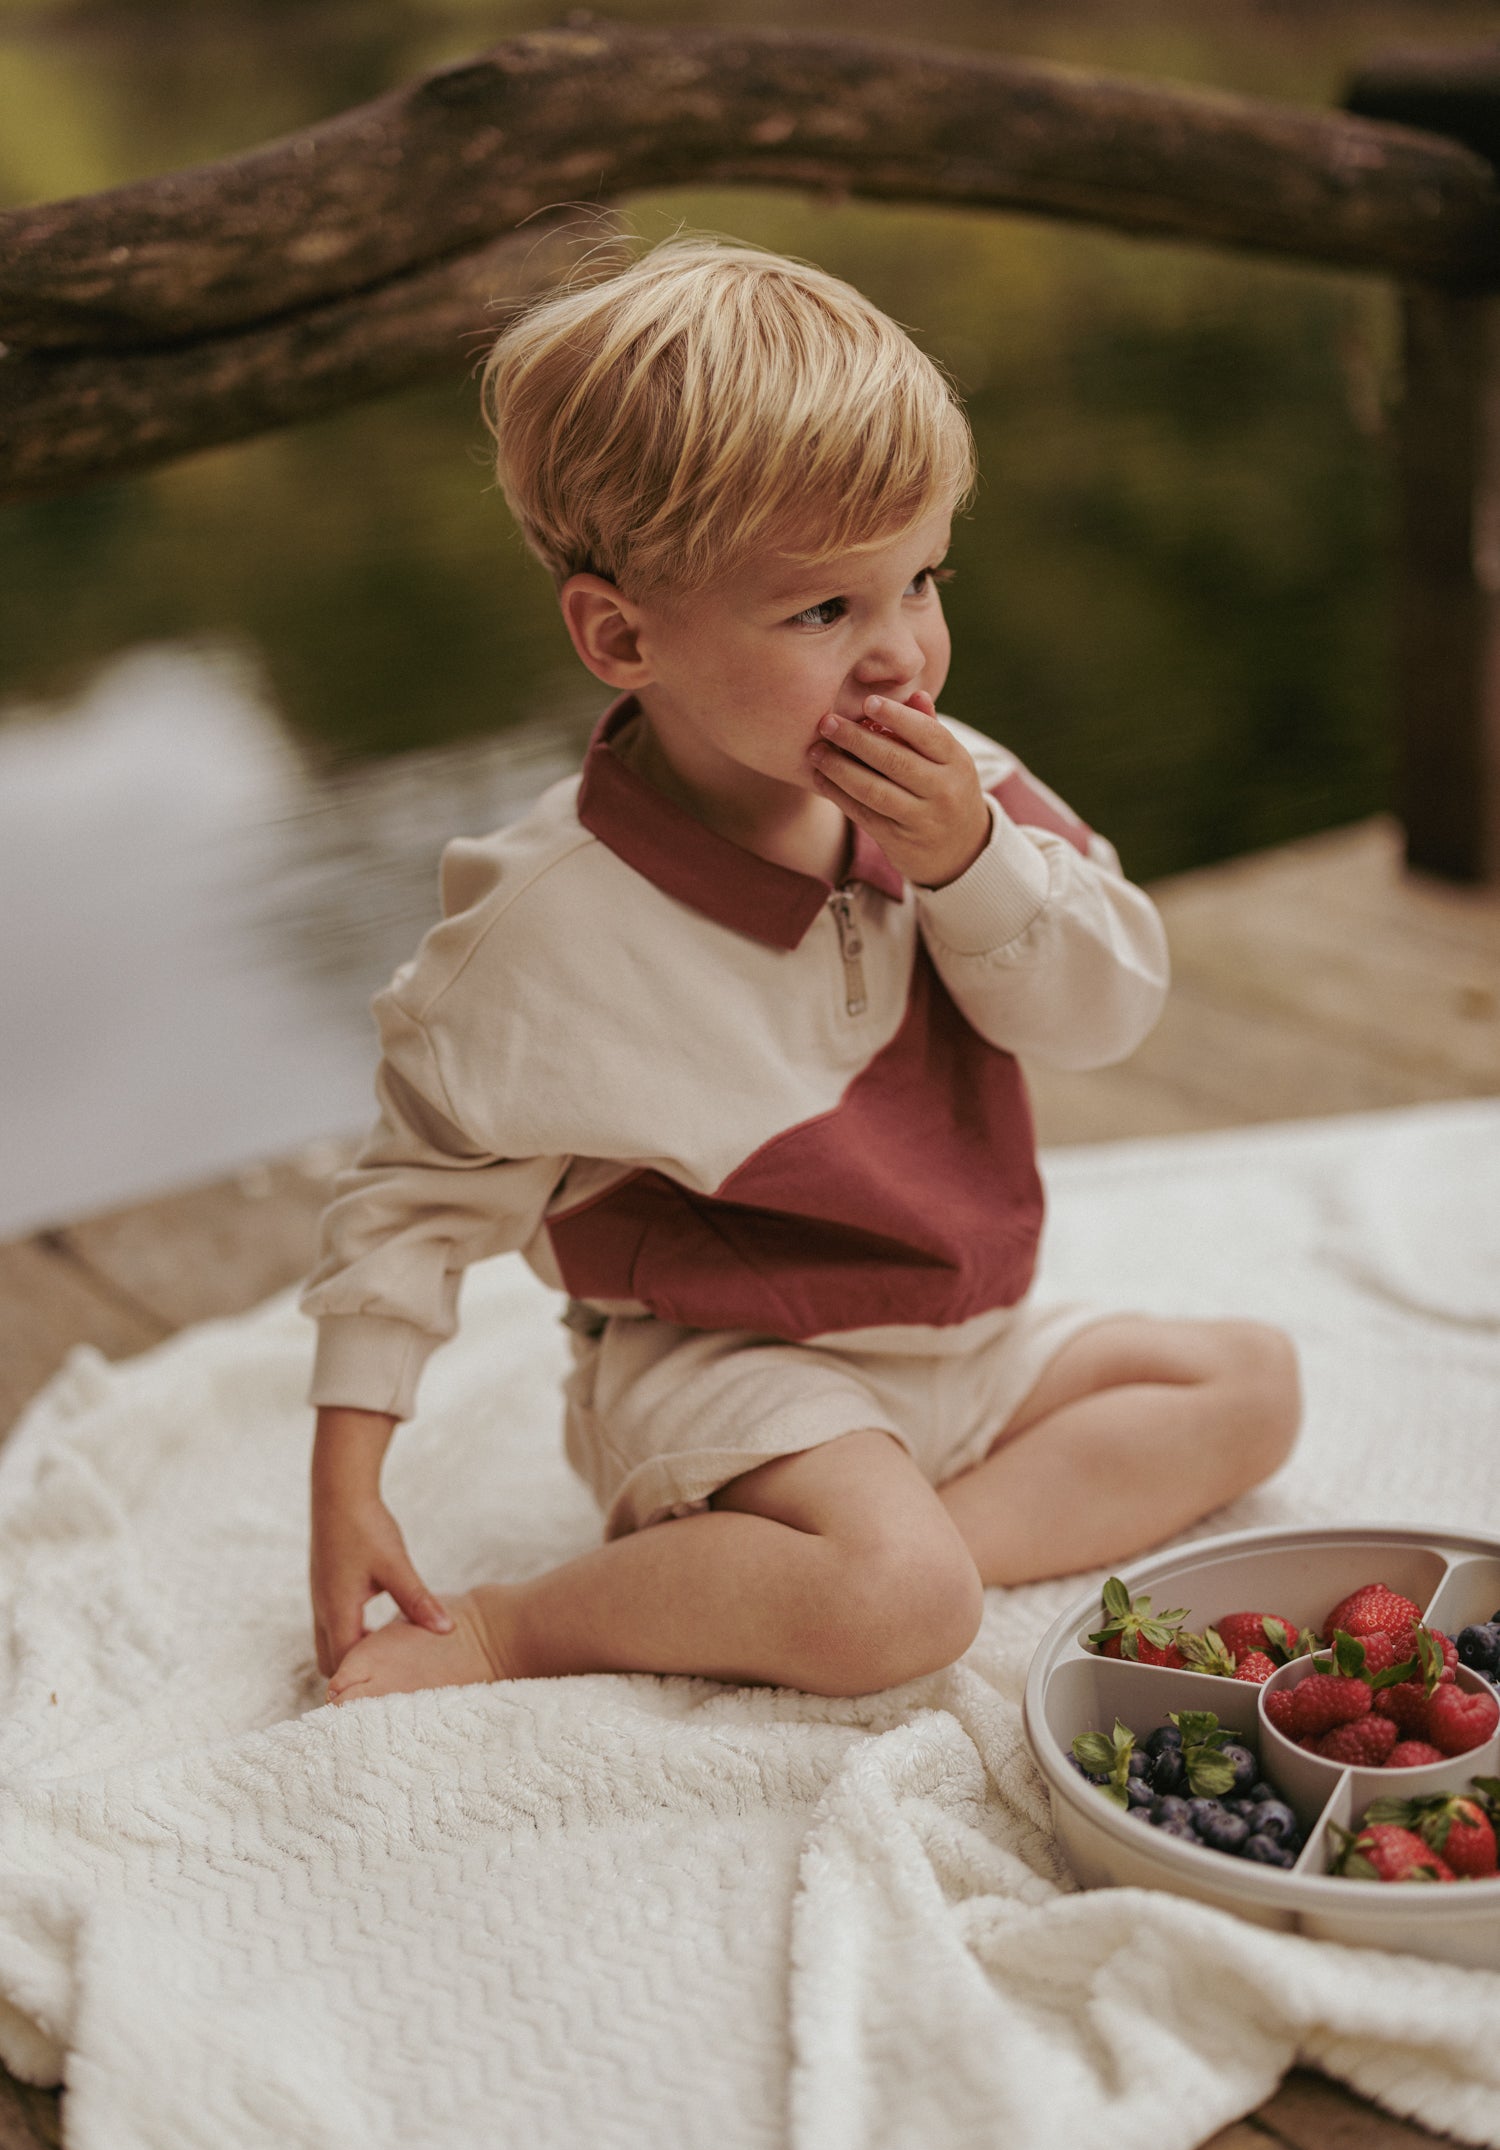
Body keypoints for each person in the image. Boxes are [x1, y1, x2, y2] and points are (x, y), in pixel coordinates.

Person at [302, 239, 1301, 1705]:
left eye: (921, 580)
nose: (902, 654)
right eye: (825, 611)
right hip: (728, 1364)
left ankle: (848, 1569)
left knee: (1254, 1381)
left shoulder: (972, 795)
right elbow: (411, 1201)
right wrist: (347, 1470)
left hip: (959, 1333)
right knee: (901, 1597)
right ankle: (534, 1622)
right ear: (621, 634)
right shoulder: (551, 926)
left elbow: (1105, 1012)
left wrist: (971, 865)